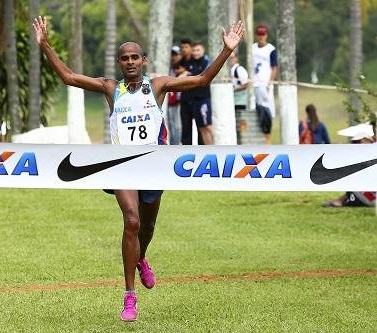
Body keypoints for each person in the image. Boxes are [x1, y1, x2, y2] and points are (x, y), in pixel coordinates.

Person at [33, 16, 244, 321]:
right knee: (131, 222)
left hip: (154, 166)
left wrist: (226, 51)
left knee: (147, 228)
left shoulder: (158, 85)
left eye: (135, 57)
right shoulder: (110, 88)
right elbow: (68, 77)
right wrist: (45, 45)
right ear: (119, 62)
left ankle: (142, 258)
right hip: (121, 167)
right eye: (124, 58)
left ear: (144, 61)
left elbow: (200, 82)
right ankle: (129, 297)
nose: (130, 62)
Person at [323, 124, 375, 208]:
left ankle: (340, 201)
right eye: (354, 142)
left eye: (358, 142)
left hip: (372, 199)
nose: (355, 145)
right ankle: (341, 200)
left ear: (367, 141)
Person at [253, 25, 277, 144]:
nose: (261, 37)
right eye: (259, 34)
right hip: (254, 83)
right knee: (255, 109)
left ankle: (267, 138)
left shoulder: (271, 49)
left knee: (267, 110)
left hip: (265, 83)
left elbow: (274, 67)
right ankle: (258, 137)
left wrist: (270, 81)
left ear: (266, 35)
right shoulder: (252, 48)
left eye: (263, 34)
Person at [167, 46, 183, 145]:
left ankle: (176, 145)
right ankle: (173, 144)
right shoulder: (170, 68)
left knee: (177, 125)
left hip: (180, 100)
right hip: (170, 100)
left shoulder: (183, 67)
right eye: (172, 55)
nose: (174, 57)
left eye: (176, 55)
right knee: (172, 124)